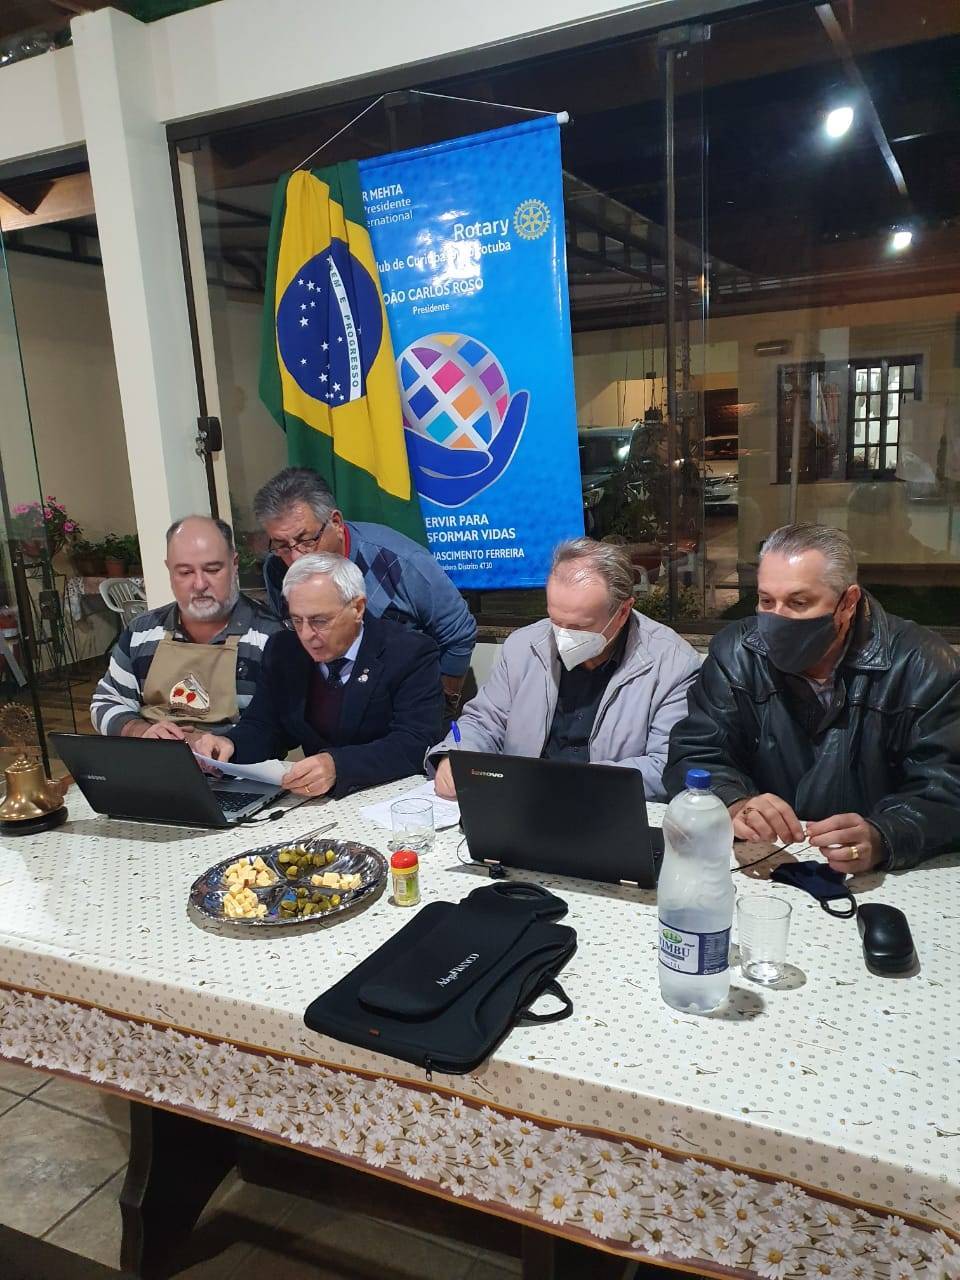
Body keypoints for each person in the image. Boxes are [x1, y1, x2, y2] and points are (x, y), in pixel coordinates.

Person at [664, 522, 960, 872]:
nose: (777, 618)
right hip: (762, 864)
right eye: (765, 600)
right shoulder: (736, 652)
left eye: (798, 602)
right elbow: (696, 753)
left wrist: (883, 835)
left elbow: (946, 789)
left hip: (872, 876)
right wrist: (734, 803)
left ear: (848, 602)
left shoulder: (924, 665)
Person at [426, 537, 700, 801]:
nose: (562, 636)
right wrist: (454, 756)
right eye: (555, 620)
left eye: (580, 627)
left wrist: (571, 784)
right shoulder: (523, 646)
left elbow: (666, 765)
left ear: (622, 612)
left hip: (604, 807)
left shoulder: (672, 664)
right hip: (522, 807)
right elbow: (485, 721)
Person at [192, 553, 441, 799]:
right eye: (296, 621)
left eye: (319, 621)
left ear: (357, 608)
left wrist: (339, 765)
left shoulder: (409, 652)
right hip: (315, 799)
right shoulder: (284, 650)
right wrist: (231, 745)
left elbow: (415, 741)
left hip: (390, 796)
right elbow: (265, 726)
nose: (307, 634)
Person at [253, 467, 476, 715]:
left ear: (335, 523)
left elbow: (459, 631)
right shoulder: (276, 569)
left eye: (306, 540)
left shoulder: (399, 561)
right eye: (282, 546)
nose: (296, 558)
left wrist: (441, 704)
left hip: (404, 705)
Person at [90, 516, 282, 739]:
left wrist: (227, 745)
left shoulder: (270, 638)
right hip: (154, 763)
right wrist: (139, 730)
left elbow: (282, 727)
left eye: (212, 569)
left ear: (234, 564)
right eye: (185, 572)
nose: (199, 584)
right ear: (169, 570)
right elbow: (105, 701)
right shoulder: (141, 633)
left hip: (234, 769)